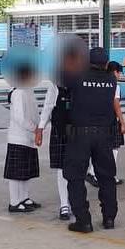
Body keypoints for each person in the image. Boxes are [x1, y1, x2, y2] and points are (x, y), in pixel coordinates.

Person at [63, 47, 119, 233]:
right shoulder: (111, 80)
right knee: (107, 177)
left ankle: (83, 221)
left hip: (80, 134)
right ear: (106, 63)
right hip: (104, 134)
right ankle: (109, 218)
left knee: (75, 177)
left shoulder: (76, 76)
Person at [36, 46, 84, 221]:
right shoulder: (55, 84)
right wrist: (40, 128)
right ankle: (64, 205)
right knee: (62, 168)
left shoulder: (82, 80)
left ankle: (76, 203)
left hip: (79, 130)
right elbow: (48, 106)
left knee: (78, 168)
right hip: (60, 131)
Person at [5, 65, 42, 213]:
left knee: (25, 172)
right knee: (16, 173)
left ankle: (24, 198)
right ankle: (14, 202)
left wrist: (39, 128)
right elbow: (19, 117)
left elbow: (34, 113)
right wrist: (35, 129)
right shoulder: (18, 92)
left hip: (29, 138)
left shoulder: (28, 91)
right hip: (18, 138)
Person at [107, 61, 125, 184]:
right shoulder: (115, 85)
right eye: (119, 73)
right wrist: (122, 122)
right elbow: (116, 105)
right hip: (111, 119)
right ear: (115, 72)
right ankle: (111, 175)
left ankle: (93, 172)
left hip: (99, 120)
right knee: (114, 148)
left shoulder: (100, 82)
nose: (119, 75)